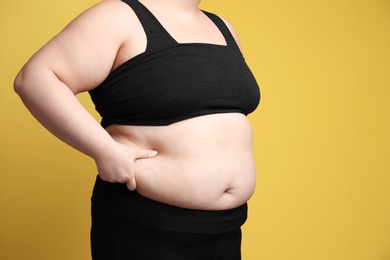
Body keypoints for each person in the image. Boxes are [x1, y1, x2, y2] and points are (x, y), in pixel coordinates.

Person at [14, 0, 260, 259]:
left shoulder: (223, 27)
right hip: (148, 223)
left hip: (227, 227)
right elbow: (34, 79)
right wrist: (104, 150)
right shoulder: (119, 16)